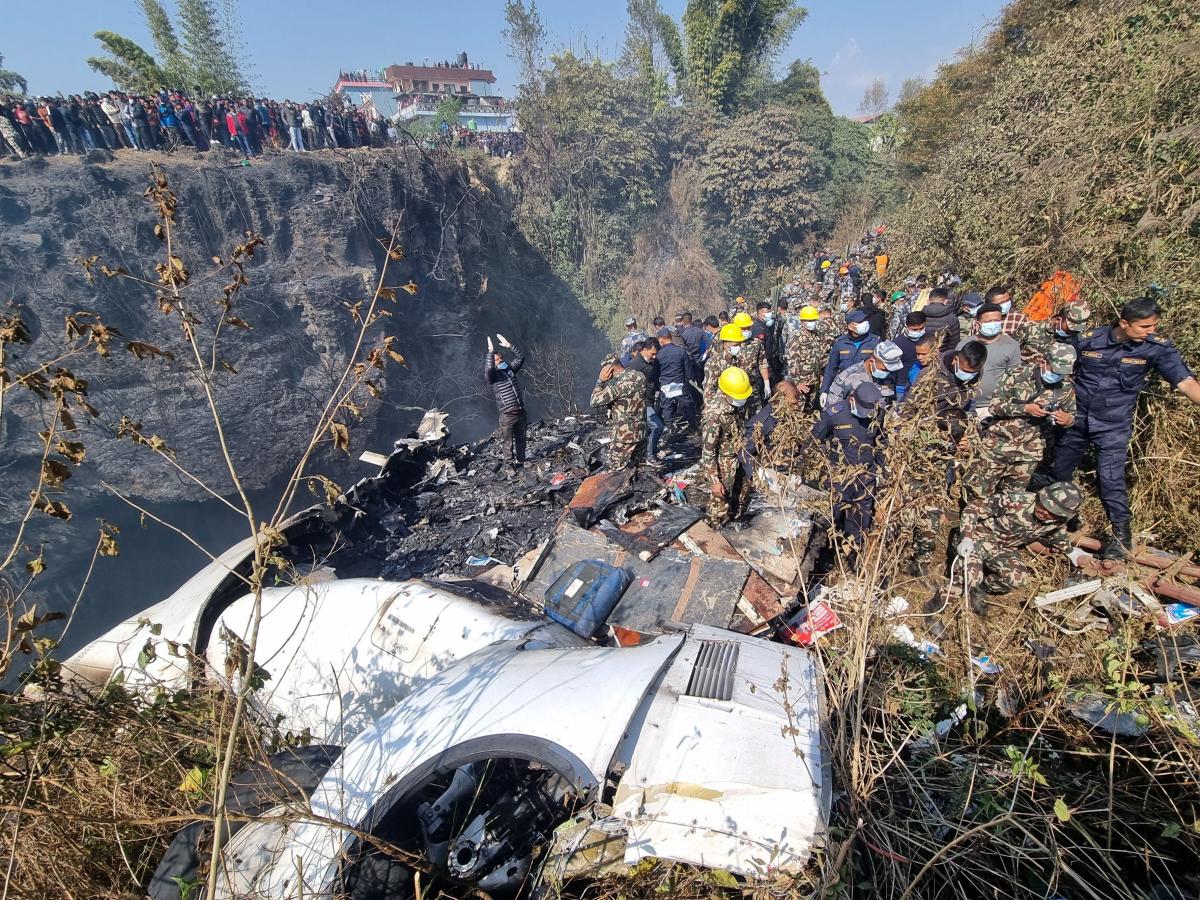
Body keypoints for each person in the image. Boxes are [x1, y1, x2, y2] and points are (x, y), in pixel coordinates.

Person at [1050, 295, 1200, 558]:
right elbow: (1059, 365)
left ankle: (1121, 538)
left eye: (1153, 326)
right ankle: (1066, 519)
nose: (1151, 331)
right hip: (1076, 420)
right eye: (1145, 326)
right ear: (1124, 323)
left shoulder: (1156, 348)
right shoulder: (1089, 339)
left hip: (1113, 426)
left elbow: (1186, 383)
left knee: (1111, 480)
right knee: (1060, 471)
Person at [901, 341, 986, 574]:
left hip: (945, 454)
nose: (968, 376)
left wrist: (966, 435)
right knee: (908, 505)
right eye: (966, 371)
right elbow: (907, 414)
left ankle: (922, 562)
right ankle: (897, 552)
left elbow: (968, 408)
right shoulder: (931, 377)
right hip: (919, 452)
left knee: (934, 508)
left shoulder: (972, 377)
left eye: (973, 373)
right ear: (957, 359)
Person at [963, 343, 1077, 503]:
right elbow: (995, 406)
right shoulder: (1017, 374)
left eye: (1062, 373)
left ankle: (998, 526)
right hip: (997, 445)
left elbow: (1072, 416)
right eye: (1055, 371)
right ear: (1044, 362)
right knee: (978, 493)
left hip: (1029, 452)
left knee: (1012, 500)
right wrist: (1024, 409)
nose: (1058, 376)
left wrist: (1067, 420)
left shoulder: (1065, 387)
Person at [958, 482, 1086, 615]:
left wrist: (1070, 552)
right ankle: (962, 591)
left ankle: (979, 589)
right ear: (1040, 496)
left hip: (1004, 548)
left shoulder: (1057, 521)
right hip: (978, 538)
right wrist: (966, 538)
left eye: (1052, 512)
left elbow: (1057, 536)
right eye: (1044, 505)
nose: (1045, 512)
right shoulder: (1017, 500)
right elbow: (972, 509)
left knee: (1018, 578)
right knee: (970, 578)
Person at [813, 383, 886, 557]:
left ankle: (853, 559)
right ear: (851, 399)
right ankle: (823, 558)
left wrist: (883, 472)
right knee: (830, 519)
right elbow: (814, 441)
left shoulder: (878, 415)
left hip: (865, 477)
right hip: (839, 477)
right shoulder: (833, 414)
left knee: (860, 522)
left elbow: (882, 444)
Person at [701, 367, 753, 528]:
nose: (742, 399)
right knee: (720, 501)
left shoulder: (735, 403)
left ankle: (735, 521)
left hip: (739, 455)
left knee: (742, 494)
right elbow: (708, 452)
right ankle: (713, 530)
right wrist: (714, 481)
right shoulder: (714, 416)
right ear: (726, 393)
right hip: (723, 462)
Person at [591, 354, 648, 471]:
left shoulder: (618, 385)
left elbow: (594, 401)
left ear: (609, 369)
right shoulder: (639, 375)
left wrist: (600, 382)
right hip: (641, 432)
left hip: (624, 436)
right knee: (636, 468)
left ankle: (622, 489)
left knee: (616, 471)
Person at [958, 302, 1021, 405]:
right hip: (966, 404)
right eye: (988, 321)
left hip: (994, 405)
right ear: (978, 324)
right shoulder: (964, 345)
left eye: (996, 320)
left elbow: (1014, 377)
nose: (993, 324)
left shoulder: (1011, 345)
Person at [740, 380, 802, 476]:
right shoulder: (763, 421)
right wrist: (757, 476)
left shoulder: (789, 415)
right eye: (793, 402)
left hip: (790, 469)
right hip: (772, 473)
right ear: (780, 400)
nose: (797, 405)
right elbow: (745, 451)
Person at [484, 334, 527, 469]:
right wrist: (490, 353)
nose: (500, 360)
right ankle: (509, 466)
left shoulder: (510, 370)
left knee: (521, 439)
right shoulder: (494, 377)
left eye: (501, 358)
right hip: (507, 415)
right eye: (497, 360)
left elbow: (521, 357)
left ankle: (520, 462)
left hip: (520, 411)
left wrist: (509, 346)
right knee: (508, 443)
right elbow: (488, 372)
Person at [820, 310, 879, 405]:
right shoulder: (840, 342)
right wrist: (824, 390)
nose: (864, 323)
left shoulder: (875, 341)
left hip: (866, 391)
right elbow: (831, 368)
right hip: (844, 391)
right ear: (850, 326)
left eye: (864, 321)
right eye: (860, 322)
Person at [825, 340, 906, 407]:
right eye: (884, 369)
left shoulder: (892, 374)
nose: (888, 373)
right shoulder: (848, 377)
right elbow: (831, 410)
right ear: (872, 362)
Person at [625, 338, 662, 467]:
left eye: (656, 354)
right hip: (640, 403)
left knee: (647, 429)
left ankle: (644, 454)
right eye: (652, 353)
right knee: (657, 427)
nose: (655, 356)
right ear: (644, 350)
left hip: (650, 400)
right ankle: (650, 456)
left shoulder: (652, 362)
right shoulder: (636, 365)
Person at [1016, 298, 1091, 360]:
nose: (1071, 331)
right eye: (1070, 327)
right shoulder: (1031, 327)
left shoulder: (1076, 341)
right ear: (1059, 319)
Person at [656, 327, 698, 433]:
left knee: (667, 407)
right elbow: (687, 369)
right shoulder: (681, 351)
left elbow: (656, 372)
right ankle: (693, 426)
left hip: (665, 384)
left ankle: (670, 427)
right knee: (687, 405)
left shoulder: (659, 354)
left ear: (661, 339)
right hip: (680, 383)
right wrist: (688, 381)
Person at [897, 335, 937, 400]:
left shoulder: (940, 370)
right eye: (918, 354)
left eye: (924, 354)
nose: (919, 357)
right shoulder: (915, 366)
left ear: (935, 351)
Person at [923, 287, 961, 352]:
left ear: (928, 301)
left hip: (920, 355)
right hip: (941, 356)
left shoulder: (919, 315)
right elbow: (953, 344)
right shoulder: (952, 319)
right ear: (946, 301)